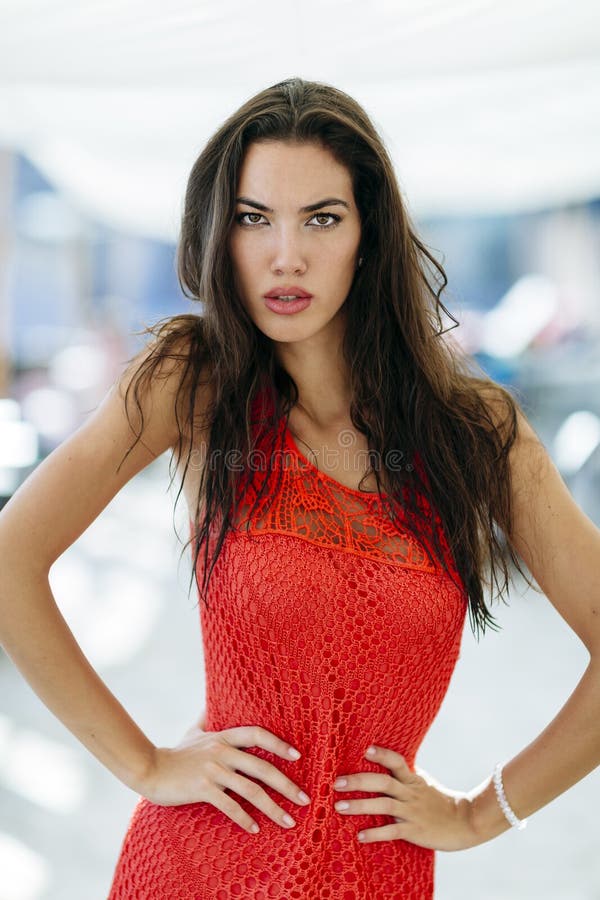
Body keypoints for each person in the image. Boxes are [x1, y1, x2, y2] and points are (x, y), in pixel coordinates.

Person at [0, 77, 599, 900]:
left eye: (323, 217)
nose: (287, 254)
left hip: (375, 874)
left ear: (370, 235)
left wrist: (477, 814)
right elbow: (10, 558)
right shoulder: (196, 383)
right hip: (197, 867)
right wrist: (142, 762)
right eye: (254, 219)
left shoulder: (475, 431)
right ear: (221, 236)